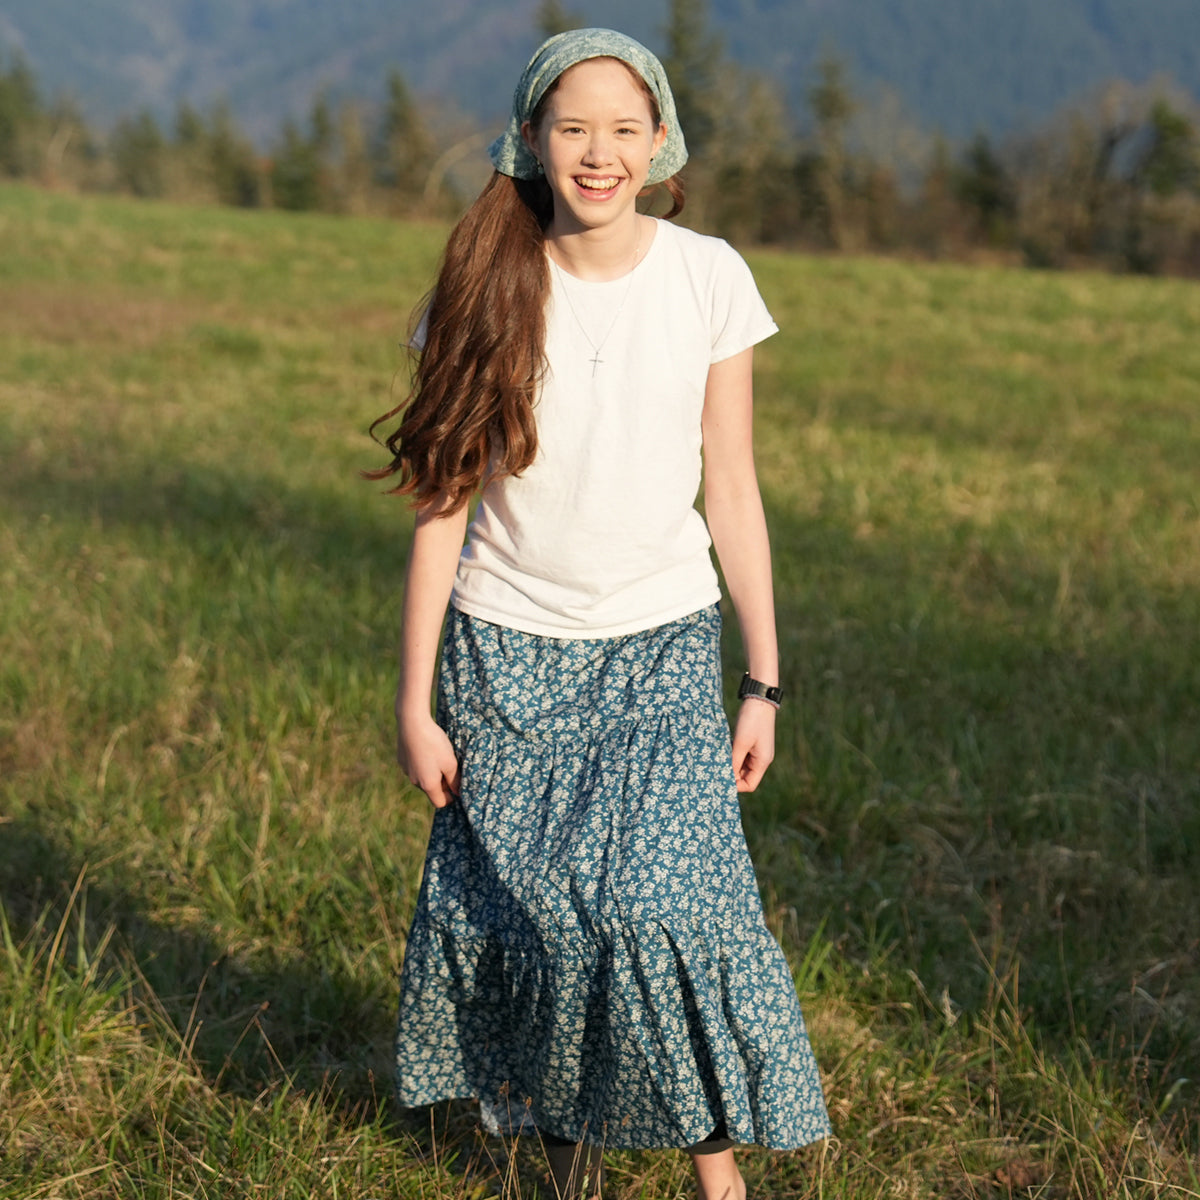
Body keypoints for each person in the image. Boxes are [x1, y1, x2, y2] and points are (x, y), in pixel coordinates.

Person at [367, 28, 831, 1200]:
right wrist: (414, 705)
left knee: (665, 908)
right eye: (573, 126)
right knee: (555, 929)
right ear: (530, 139)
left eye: (624, 128)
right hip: (508, 654)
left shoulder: (708, 274)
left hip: (664, 644)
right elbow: (440, 510)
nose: (599, 152)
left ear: (660, 140)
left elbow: (731, 485)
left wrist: (764, 680)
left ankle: (716, 1173)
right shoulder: (484, 283)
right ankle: (564, 1158)